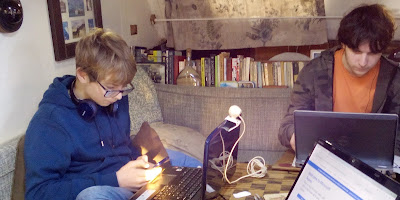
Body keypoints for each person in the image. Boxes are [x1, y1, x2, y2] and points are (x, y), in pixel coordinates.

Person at [24, 28, 201, 200]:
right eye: (111, 89)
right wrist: (116, 180)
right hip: (105, 190)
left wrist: (142, 160)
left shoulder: (115, 98)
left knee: (196, 168)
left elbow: (123, 146)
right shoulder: (50, 122)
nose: (119, 97)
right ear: (83, 75)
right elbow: (38, 193)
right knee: (91, 197)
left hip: (133, 180)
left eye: (123, 89)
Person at [278, 4, 400, 151]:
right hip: (323, 155)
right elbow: (287, 126)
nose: (363, 62)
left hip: (371, 160)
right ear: (344, 44)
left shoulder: (394, 78)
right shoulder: (314, 71)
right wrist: (294, 135)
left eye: (373, 53)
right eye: (356, 51)